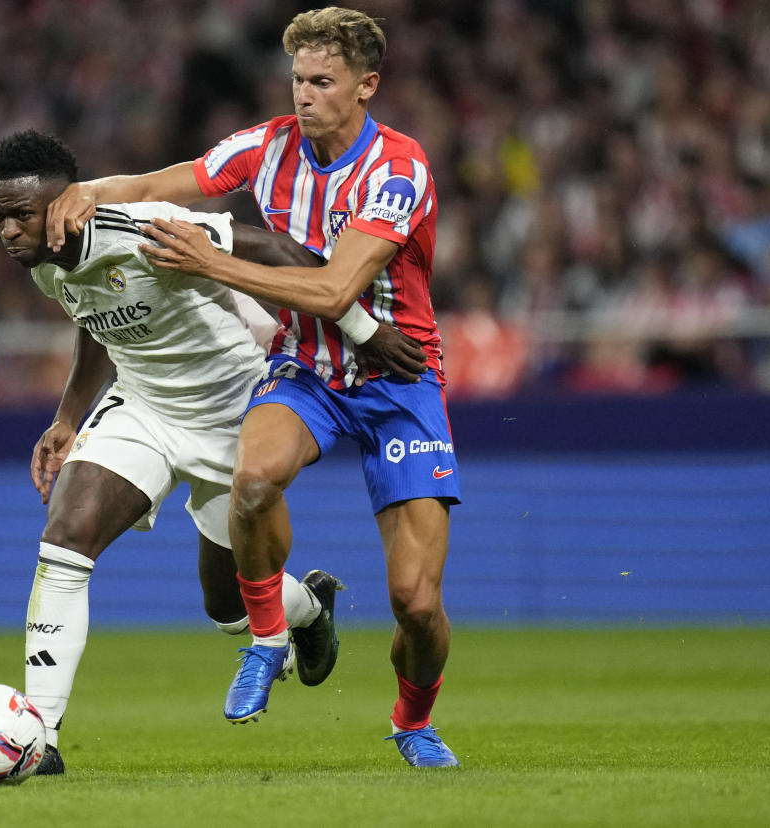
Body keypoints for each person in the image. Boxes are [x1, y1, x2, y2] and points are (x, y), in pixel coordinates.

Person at [44, 7, 462, 767]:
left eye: (323, 81)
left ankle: (412, 720)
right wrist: (84, 192)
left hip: (399, 379)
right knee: (252, 478)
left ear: (367, 86)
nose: (304, 95)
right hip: (307, 370)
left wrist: (210, 260)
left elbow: (335, 291)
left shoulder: (399, 170)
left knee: (418, 603)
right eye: (298, 78)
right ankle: (268, 640)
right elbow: (155, 182)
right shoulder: (265, 147)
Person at [0, 128, 428, 775]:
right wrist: (68, 418)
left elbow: (277, 249)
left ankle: (306, 610)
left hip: (231, 412)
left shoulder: (149, 229)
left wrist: (361, 329)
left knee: (228, 609)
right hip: (143, 406)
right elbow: (93, 317)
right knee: (66, 535)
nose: (8, 231)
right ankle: (38, 738)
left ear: (64, 204)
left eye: (22, 215)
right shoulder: (44, 261)